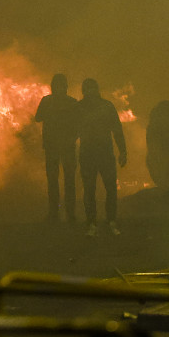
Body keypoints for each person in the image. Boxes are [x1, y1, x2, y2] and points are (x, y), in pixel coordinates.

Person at [75, 79, 126, 236]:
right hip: (88, 153)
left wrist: (123, 151)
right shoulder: (79, 108)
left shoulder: (106, 106)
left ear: (97, 90)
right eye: (87, 89)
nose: (90, 91)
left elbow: (117, 130)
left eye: (92, 89)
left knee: (110, 188)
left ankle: (111, 221)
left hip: (105, 153)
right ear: (84, 91)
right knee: (89, 189)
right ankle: (91, 223)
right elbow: (72, 131)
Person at [34, 73, 80, 223]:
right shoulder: (72, 102)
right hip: (66, 146)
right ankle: (69, 214)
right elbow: (79, 124)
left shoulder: (47, 101)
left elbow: (38, 117)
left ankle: (55, 214)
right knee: (68, 181)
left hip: (53, 146)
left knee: (54, 181)